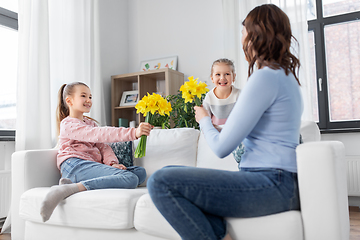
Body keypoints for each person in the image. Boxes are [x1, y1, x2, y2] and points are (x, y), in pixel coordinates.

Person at [147, 4, 303, 240]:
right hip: (280, 183)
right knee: (171, 174)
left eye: (243, 31)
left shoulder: (265, 78)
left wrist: (204, 120)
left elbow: (221, 148)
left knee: (160, 181)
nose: (241, 38)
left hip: (270, 184)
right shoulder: (286, 76)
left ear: (257, 34)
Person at [40, 82, 153, 222]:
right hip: (75, 165)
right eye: (83, 96)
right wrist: (133, 132)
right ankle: (69, 188)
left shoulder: (90, 123)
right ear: (69, 101)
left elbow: (103, 146)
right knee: (131, 179)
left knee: (139, 173)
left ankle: (75, 183)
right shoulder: (68, 124)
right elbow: (99, 134)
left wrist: (112, 164)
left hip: (89, 166)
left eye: (90, 96)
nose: (88, 100)